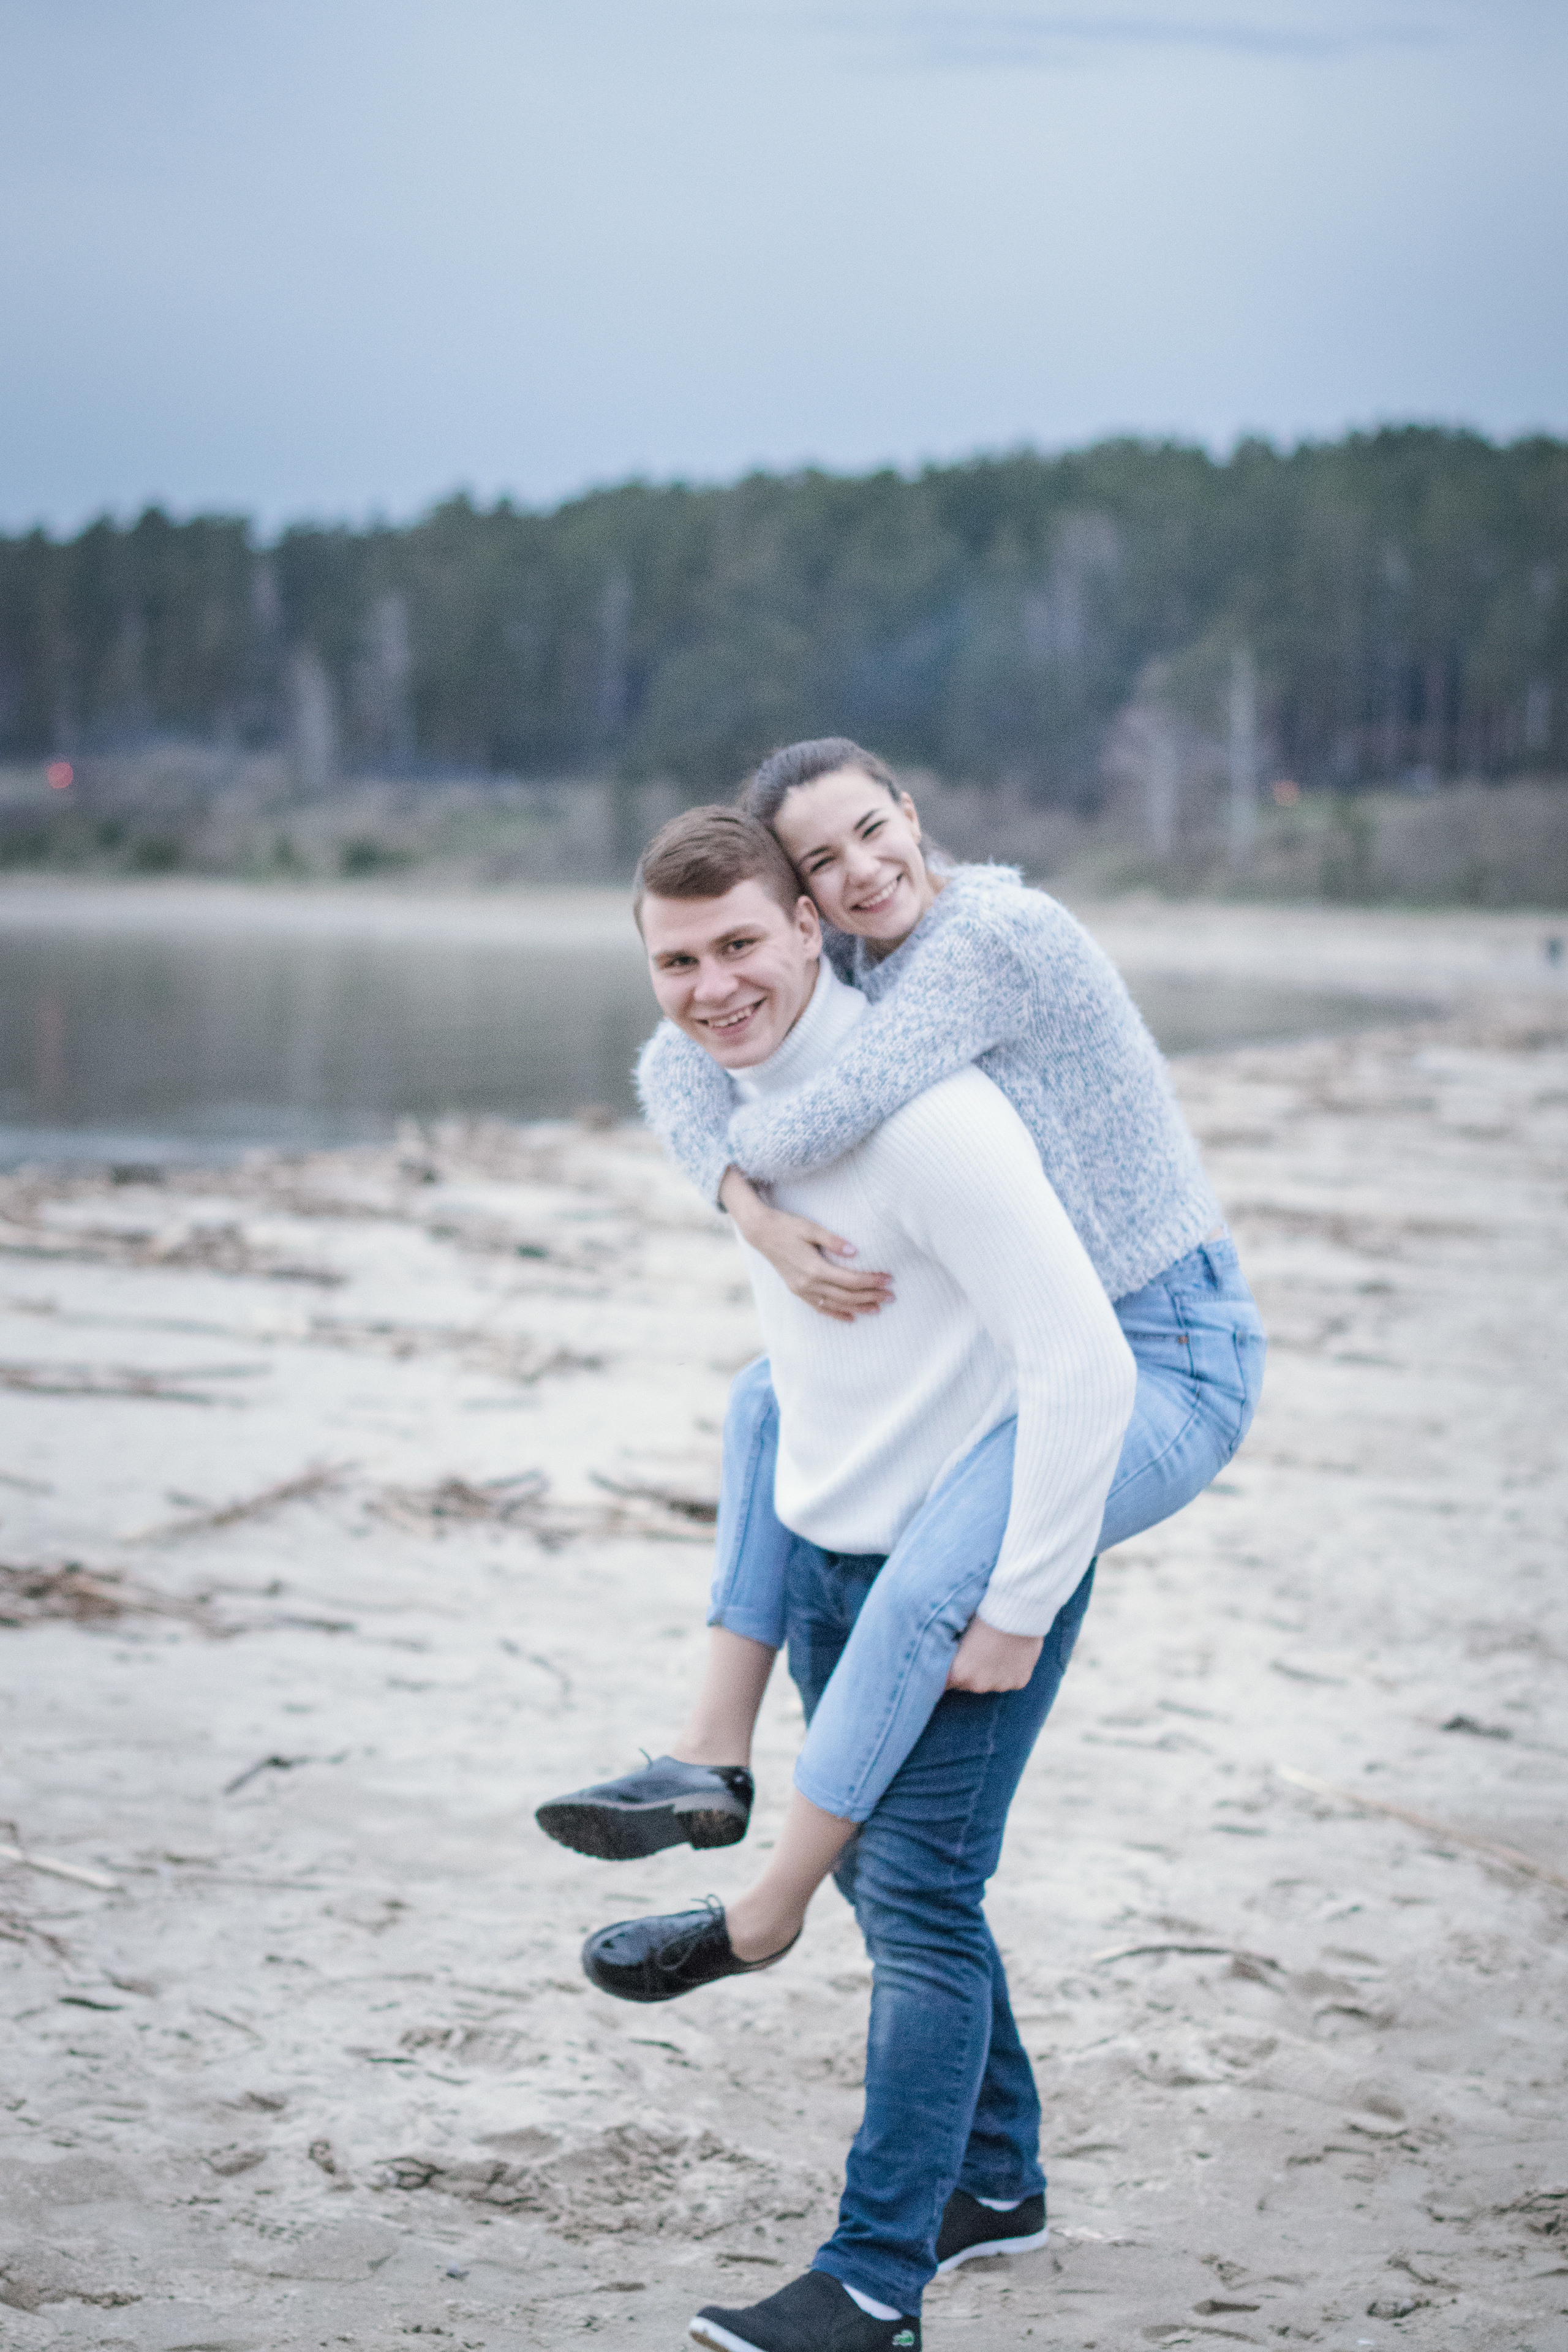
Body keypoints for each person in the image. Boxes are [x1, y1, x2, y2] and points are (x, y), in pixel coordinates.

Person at [538, 739, 1265, 1974]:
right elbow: (674, 1064)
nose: (866, 868)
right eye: (823, 860)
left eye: (875, 828)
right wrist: (748, 1207)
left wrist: (745, 1177)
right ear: (807, 903)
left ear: (912, 813)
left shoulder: (990, 935)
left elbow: (827, 1103)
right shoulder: (868, 954)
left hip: (1170, 1344)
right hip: (1048, 1324)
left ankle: (765, 1912)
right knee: (765, 1401)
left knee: (933, 1579)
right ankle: (709, 1753)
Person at [558, 805, 1138, 2352]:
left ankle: (876, 2278)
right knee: (895, 1886)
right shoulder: (739, 1107)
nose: (710, 985)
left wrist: (1016, 1595)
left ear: (812, 928)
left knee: (925, 1908)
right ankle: (997, 2186)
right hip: (828, 1556)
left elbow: (1084, 1363)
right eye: (676, 960)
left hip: (950, 1589)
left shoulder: (930, 1120)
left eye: (741, 943)